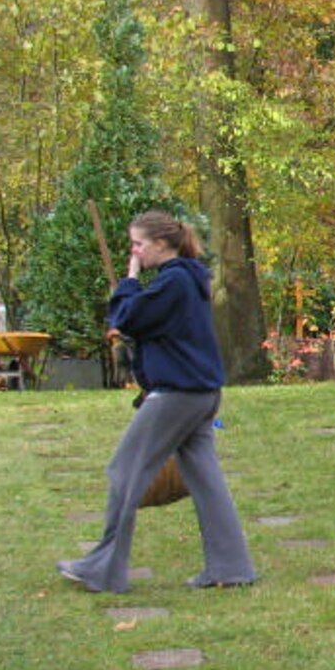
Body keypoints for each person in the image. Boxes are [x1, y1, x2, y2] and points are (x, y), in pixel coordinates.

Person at [58, 211, 257, 593]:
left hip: (178, 393)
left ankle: (102, 569)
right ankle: (231, 568)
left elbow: (127, 315)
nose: (133, 252)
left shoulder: (175, 282)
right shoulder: (185, 279)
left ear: (161, 244)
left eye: (137, 245)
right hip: (201, 391)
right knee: (205, 480)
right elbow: (142, 322)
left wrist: (129, 279)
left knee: (124, 472)